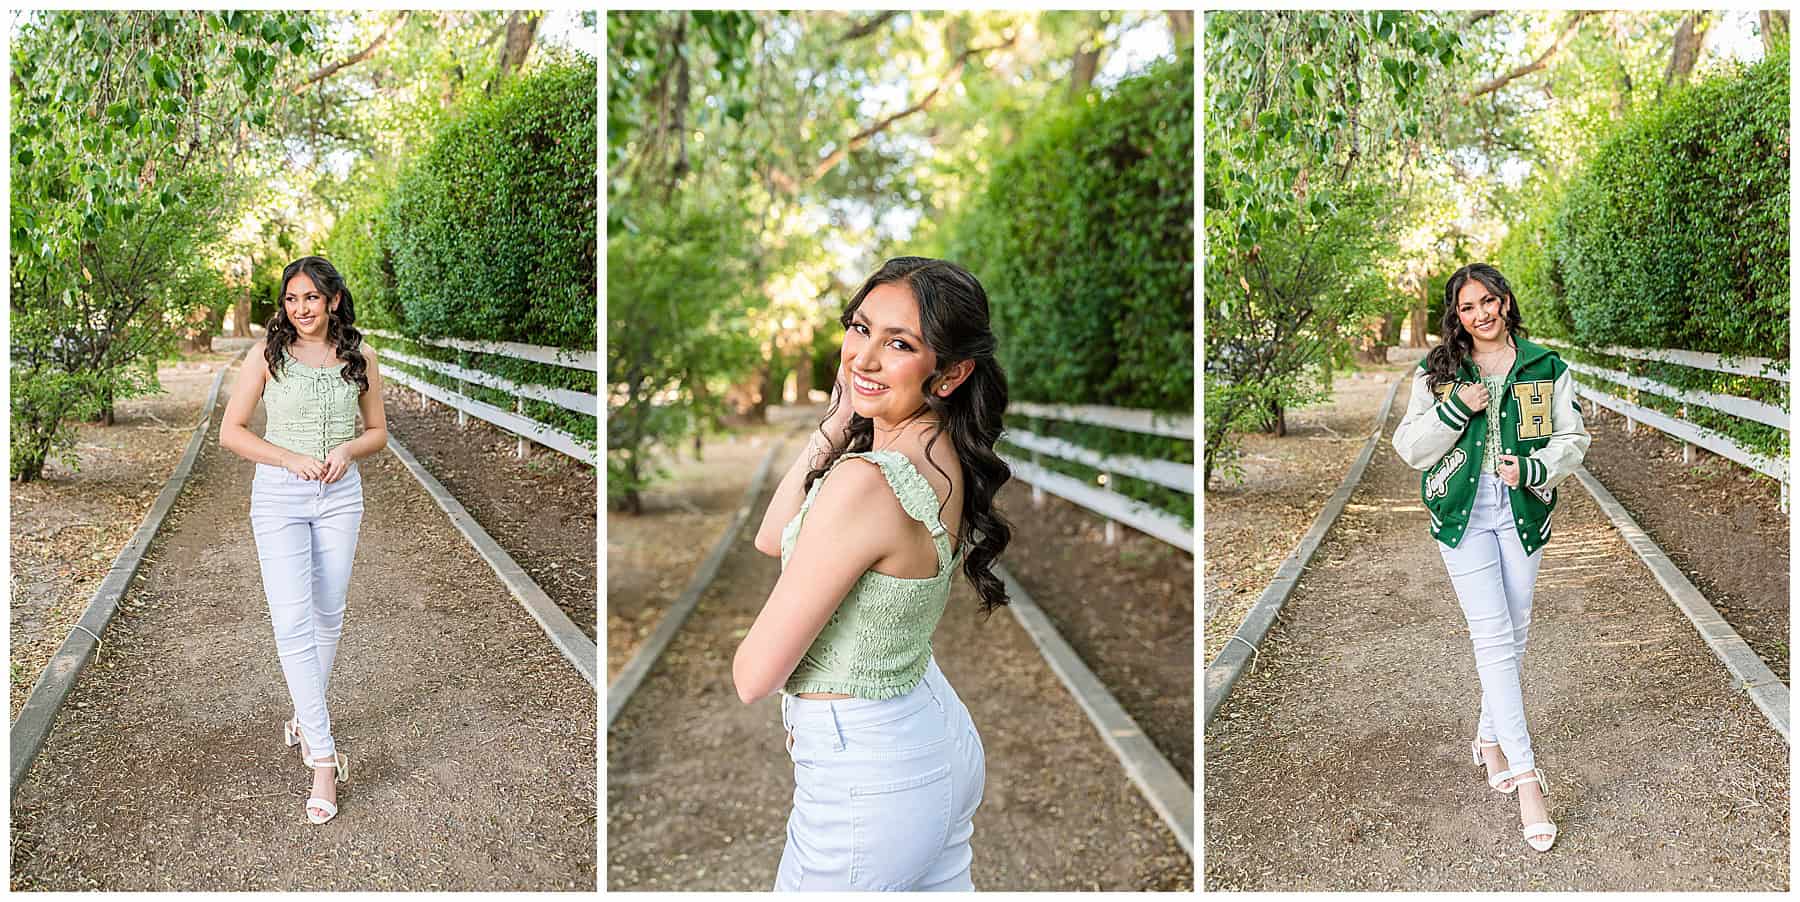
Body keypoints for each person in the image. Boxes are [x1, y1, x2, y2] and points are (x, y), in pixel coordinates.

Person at [732, 256, 1013, 890]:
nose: (863, 358)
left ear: (950, 372)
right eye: (860, 328)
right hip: (927, 734)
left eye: (900, 343)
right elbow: (773, 537)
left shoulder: (865, 483)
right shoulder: (941, 453)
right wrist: (841, 414)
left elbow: (753, 675)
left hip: (870, 773)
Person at [1392, 262, 1591, 852]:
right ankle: (1528, 777)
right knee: (1492, 637)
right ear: (1456, 316)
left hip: (1521, 509)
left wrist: (1533, 468)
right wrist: (1457, 407)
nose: (1480, 314)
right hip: (1463, 514)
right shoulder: (1438, 371)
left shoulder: (1544, 367)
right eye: (1467, 307)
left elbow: (1572, 437)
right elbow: (1409, 447)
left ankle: (1489, 740)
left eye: (1489, 301)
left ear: (1505, 301)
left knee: (1516, 631)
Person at [220, 255, 387, 825]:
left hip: (341, 498)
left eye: (311, 298)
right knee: (291, 622)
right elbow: (231, 431)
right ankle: (323, 756)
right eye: (291, 299)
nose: (300, 309)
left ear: (333, 300)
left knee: (327, 615)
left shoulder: (359, 357)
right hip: (278, 500)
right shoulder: (265, 356)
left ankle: (302, 711)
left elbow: (377, 433)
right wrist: (289, 458)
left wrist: (346, 451)